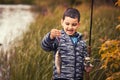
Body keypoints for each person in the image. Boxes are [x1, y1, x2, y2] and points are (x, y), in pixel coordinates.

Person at [41, 8, 92, 80]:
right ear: (62, 22)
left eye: (74, 24)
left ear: (78, 24)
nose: (70, 27)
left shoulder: (82, 42)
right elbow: (45, 47)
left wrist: (86, 66)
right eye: (67, 24)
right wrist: (50, 36)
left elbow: (84, 59)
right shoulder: (58, 37)